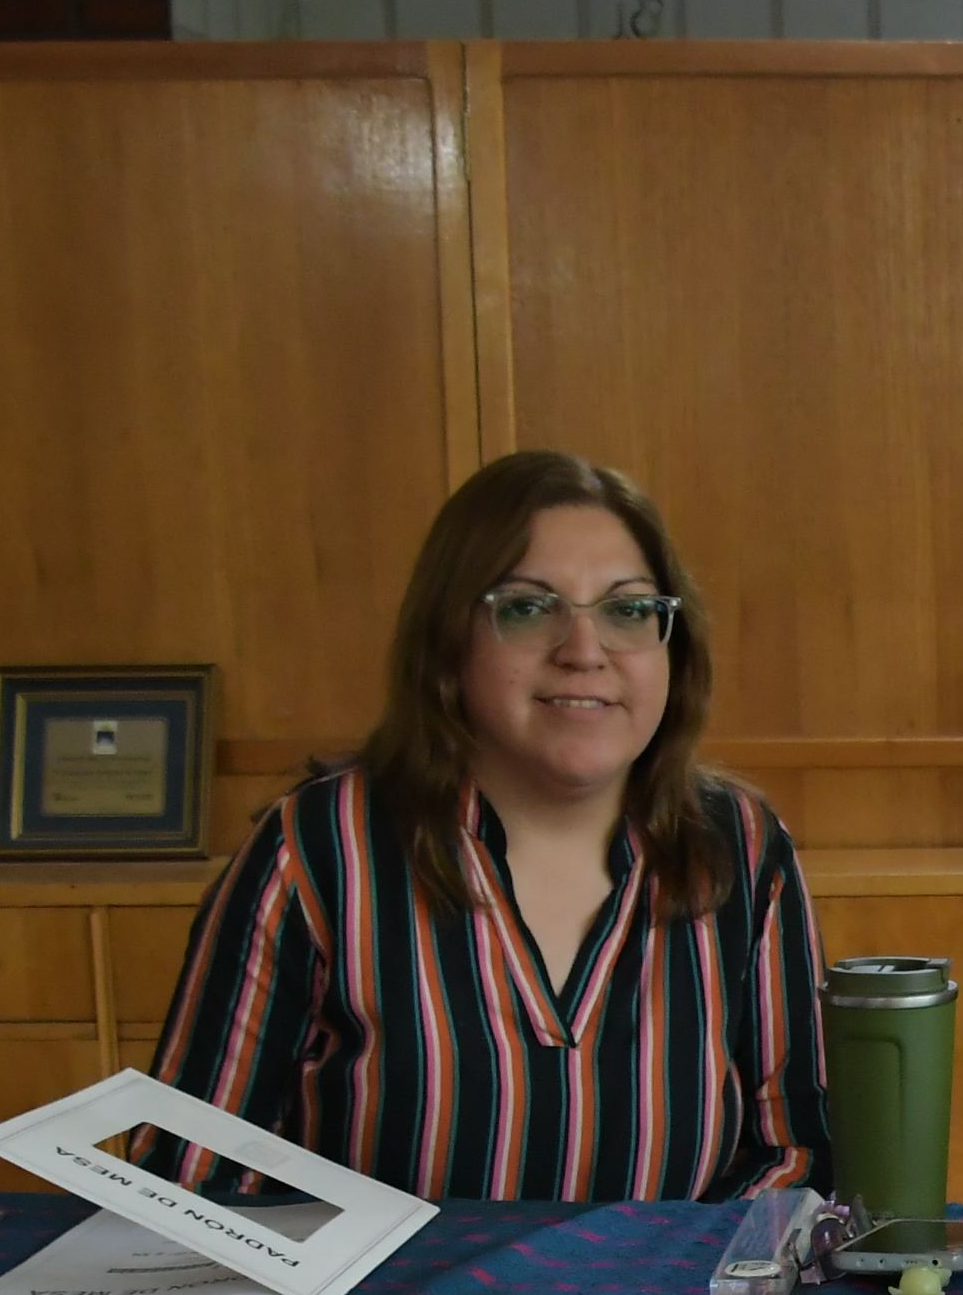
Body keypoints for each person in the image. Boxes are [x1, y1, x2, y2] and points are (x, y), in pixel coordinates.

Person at [145, 448, 826, 1201]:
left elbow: (792, 1150)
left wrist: (662, 1294)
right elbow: (186, 1168)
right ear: (448, 645)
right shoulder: (319, 847)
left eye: (629, 609)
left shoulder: (742, 845)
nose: (584, 652)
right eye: (528, 608)